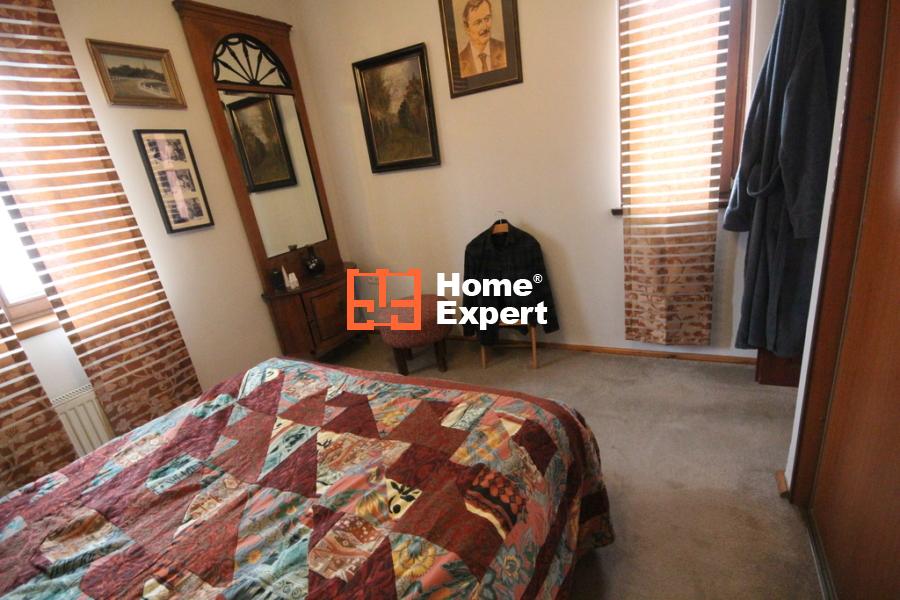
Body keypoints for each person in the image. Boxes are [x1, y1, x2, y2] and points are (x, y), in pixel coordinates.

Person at [458, 0, 506, 77]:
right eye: (478, 22)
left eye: (487, 19)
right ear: (467, 28)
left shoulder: (505, 50)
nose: (484, 27)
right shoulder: (459, 63)